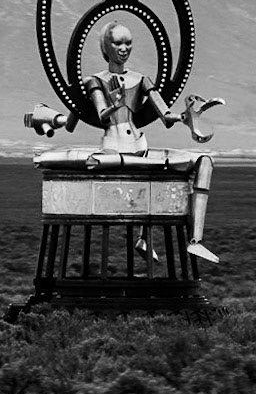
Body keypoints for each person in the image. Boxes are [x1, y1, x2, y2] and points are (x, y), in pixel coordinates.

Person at [34, 21, 220, 263]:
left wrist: (186, 118)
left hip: (139, 147)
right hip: (113, 149)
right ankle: (143, 238)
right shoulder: (95, 81)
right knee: (141, 177)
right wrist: (115, 102)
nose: (124, 48)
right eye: (118, 43)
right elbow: (102, 114)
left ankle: (195, 241)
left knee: (204, 161)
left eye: (128, 43)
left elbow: (165, 116)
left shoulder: (141, 79)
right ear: (106, 47)